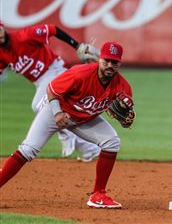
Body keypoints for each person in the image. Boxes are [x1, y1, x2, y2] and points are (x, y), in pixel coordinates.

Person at [0, 41, 135, 209]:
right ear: (99, 59)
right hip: (56, 110)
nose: (109, 65)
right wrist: (57, 112)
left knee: (112, 141)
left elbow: (123, 113)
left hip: (83, 119)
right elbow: (52, 89)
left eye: (114, 62)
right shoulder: (80, 73)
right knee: (29, 149)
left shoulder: (123, 87)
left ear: (119, 63)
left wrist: (125, 120)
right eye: (106, 61)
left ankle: (98, 194)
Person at [0, 22, 100, 161]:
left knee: (39, 105)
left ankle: (67, 136)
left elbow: (52, 29)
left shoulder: (24, 36)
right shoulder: (1, 53)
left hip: (54, 71)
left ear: (3, 27)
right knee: (48, 108)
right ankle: (90, 149)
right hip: (40, 82)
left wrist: (76, 45)